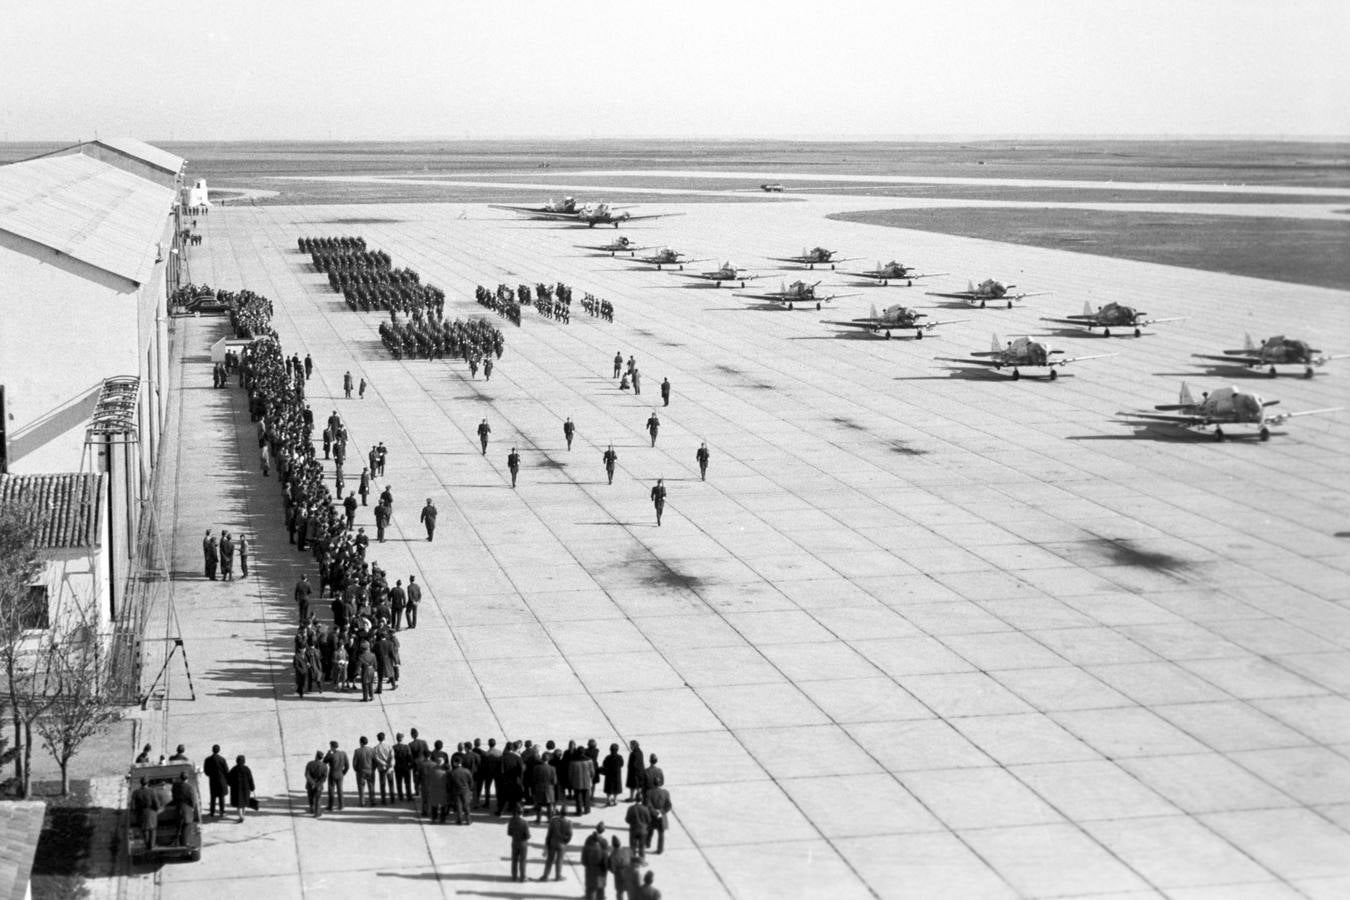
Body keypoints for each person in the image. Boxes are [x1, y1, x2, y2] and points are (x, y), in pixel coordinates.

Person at [582, 823, 612, 900]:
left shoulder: (588, 839)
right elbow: (606, 859)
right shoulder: (604, 842)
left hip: (590, 869)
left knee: (590, 887)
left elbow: (583, 861)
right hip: (601, 871)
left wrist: (588, 865)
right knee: (600, 888)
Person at [131, 777, 162, 850]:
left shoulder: (135, 792)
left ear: (140, 783)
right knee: (153, 829)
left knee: (145, 829)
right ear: (148, 783)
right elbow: (157, 804)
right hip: (151, 813)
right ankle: (152, 846)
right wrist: (157, 809)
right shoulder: (152, 791)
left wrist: (136, 812)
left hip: (141, 814)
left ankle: (147, 845)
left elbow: (133, 806)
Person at [645, 782, 671, 854]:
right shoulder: (665, 792)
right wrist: (661, 812)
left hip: (652, 816)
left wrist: (655, 812)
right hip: (662, 816)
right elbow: (669, 805)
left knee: (650, 831)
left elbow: (648, 805)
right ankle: (660, 849)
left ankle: (647, 844)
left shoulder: (649, 792)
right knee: (661, 834)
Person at [228, 754, 255, 823]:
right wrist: (252, 788)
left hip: (236, 790)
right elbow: (250, 779)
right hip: (246, 789)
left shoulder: (234, 769)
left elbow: (229, 779)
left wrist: (231, 785)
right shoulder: (247, 769)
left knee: (239, 804)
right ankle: (243, 815)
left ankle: (240, 817)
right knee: (244, 803)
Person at [204, 745, 229, 817]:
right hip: (222, 780)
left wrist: (210, 775)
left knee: (213, 796)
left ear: (212, 750)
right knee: (221, 796)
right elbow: (226, 771)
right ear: (219, 750)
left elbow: (206, 771)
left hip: (213, 780)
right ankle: (222, 811)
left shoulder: (208, 759)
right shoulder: (222, 759)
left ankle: (212, 812)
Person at [609, 835, 637, 900]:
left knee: (620, 892)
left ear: (613, 845)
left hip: (619, 875)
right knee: (630, 891)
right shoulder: (627, 849)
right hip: (629, 872)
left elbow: (612, 869)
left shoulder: (612, 855)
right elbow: (633, 858)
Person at [325, 740, 349, 811]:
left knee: (331, 790)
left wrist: (328, 753)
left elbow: (324, 761)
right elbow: (347, 766)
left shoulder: (331, 755)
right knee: (340, 790)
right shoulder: (343, 753)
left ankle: (331, 806)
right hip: (340, 773)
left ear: (332, 747)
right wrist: (343, 773)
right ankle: (341, 805)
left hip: (332, 773)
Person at [507, 810, 531, 882]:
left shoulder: (511, 821)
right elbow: (527, 835)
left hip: (514, 842)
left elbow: (509, 833)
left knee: (514, 860)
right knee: (522, 861)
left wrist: (515, 836)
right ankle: (523, 877)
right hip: (523, 843)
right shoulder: (525, 822)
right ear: (522, 813)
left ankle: (514, 876)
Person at [304, 751, 329, 816]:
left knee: (310, 797)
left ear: (316, 756)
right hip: (319, 785)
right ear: (321, 758)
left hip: (310, 784)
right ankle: (317, 813)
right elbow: (324, 777)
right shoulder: (324, 766)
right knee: (318, 799)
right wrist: (317, 784)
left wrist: (312, 783)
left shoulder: (309, 764)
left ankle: (312, 809)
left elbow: (307, 774)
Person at [375, 732, 395, 805]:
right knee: (391, 783)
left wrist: (383, 763)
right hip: (389, 768)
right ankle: (392, 799)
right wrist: (391, 765)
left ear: (378, 739)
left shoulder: (376, 748)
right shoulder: (389, 746)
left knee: (382, 784)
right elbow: (392, 756)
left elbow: (376, 758)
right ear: (384, 738)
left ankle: (383, 800)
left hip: (382, 768)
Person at [393, 733, 413, 803]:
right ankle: (409, 796)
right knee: (407, 782)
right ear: (402, 738)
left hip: (398, 767)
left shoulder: (394, 747)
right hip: (406, 767)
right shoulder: (407, 747)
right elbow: (410, 757)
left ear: (397, 738)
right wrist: (410, 765)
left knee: (399, 783)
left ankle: (400, 796)